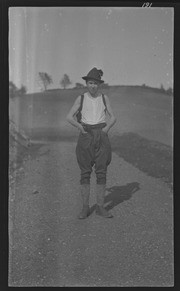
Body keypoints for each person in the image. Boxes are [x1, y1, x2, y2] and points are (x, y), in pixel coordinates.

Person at [66, 67, 116, 219]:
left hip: (101, 134)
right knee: (85, 172)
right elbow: (69, 117)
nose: (93, 86)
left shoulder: (104, 98)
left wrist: (106, 129)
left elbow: (113, 117)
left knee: (101, 171)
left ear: (99, 85)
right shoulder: (81, 98)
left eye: (95, 83)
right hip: (86, 135)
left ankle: (100, 207)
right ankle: (85, 208)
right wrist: (80, 127)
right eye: (90, 83)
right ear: (86, 84)